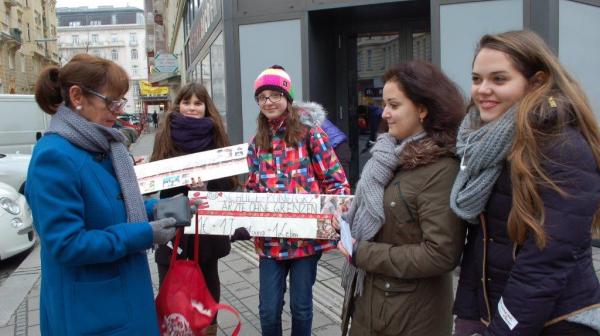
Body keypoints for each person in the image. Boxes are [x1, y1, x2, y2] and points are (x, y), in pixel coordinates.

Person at [451, 30, 600, 335]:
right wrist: (467, 315)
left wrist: (503, 329)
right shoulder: (483, 143)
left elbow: (547, 260)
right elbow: (482, 244)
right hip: (493, 309)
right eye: (477, 79)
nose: (483, 90)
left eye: (499, 79)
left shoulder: (561, 147)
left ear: (536, 82)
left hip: (557, 320)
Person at [26, 54, 177, 335]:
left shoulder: (102, 145)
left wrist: (159, 208)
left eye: (121, 101)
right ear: (76, 96)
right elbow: (68, 244)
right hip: (90, 312)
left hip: (121, 297)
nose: (118, 110)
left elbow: (114, 208)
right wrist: (145, 233)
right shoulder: (54, 156)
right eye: (111, 101)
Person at [337, 60, 466, 335]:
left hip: (409, 315)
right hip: (371, 304)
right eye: (385, 105)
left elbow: (441, 254)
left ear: (422, 109)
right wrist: (348, 222)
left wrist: (362, 252)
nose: (384, 114)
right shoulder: (386, 155)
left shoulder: (441, 167)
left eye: (394, 106)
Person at [245, 65, 350, 336]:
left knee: (301, 307)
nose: (268, 101)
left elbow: (336, 180)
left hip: (306, 240)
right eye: (262, 97)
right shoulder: (257, 142)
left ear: (287, 97)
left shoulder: (310, 134)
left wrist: (336, 220)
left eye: (275, 94)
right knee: (268, 311)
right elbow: (253, 186)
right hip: (270, 241)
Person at [150, 82, 238, 336]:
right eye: (186, 102)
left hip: (206, 227)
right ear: (178, 105)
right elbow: (154, 180)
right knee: (169, 283)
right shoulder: (164, 135)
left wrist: (207, 185)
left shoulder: (217, 137)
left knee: (207, 283)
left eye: (198, 103)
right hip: (171, 226)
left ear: (206, 107)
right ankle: (173, 328)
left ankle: (207, 329)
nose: (191, 107)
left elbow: (229, 184)